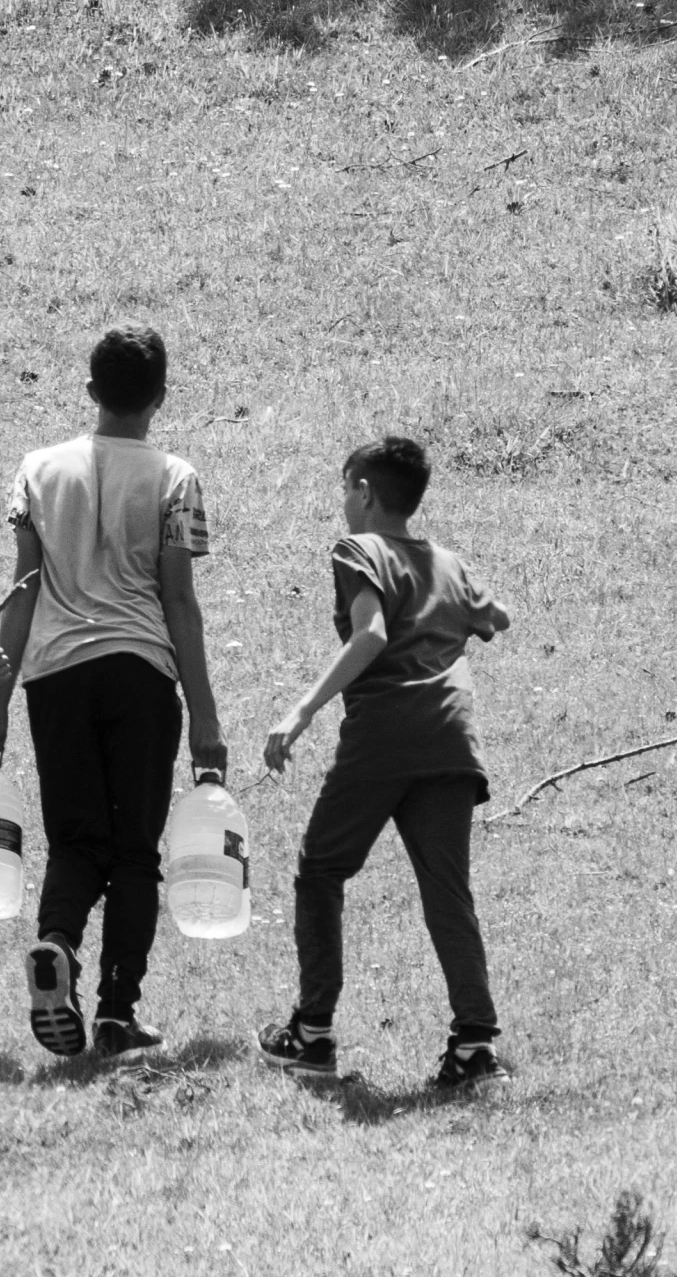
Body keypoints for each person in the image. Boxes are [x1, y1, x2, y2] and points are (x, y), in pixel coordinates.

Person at [0, 325, 227, 1065]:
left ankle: (56, 943)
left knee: (77, 838)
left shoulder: (36, 470)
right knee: (135, 853)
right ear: (161, 397)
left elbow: (21, 592)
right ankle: (118, 1012)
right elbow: (179, 601)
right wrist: (205, 714)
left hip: (54, 677)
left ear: (90, 392)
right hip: (142, 673)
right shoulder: (176, 477)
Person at [258, 435, 511, 1088]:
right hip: (452, 741)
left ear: (365, 492)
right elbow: (497, 616)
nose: (344, 502)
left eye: (347, 488)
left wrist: (300, 712)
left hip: (385, 735)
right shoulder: (448, 563)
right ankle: (474, 1047)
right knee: (447, 891)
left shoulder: (357, 549)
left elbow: (369, 633)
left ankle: (311, 1035)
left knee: (320, 872)